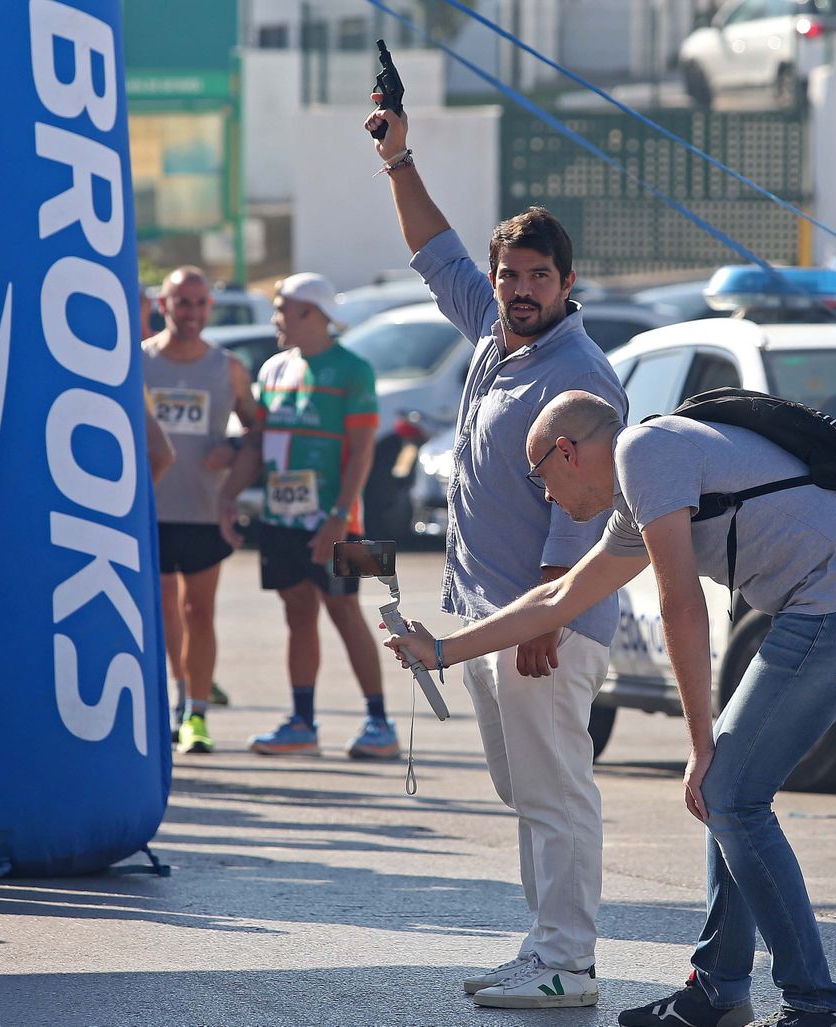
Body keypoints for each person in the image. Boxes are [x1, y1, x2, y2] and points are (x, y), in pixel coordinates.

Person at [385, 391, 836, 1027]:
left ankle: (815, 1006)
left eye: (544, 480)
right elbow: (560, 596)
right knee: (730, 796)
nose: (548, 498)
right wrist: (443, 649)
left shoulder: (646, 451)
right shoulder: (643, 486)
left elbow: (681, 605)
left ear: (568, 452)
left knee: (729, 794)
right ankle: (719, 990)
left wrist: (699, 746)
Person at [364, 93, 629, 1010]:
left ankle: (570, 961)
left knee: (556, 794)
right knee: (528, 792)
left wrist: (547, 620)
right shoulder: (490, 334)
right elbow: (432, 247)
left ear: (566, 282)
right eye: (510, 272)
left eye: (538, 275)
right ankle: (549, 945)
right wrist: (399, 160)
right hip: (490, 621)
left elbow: (586, 509)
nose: (521, 288)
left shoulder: (580, 374)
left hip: (545, 622)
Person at [220, 272, 399, 761]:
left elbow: (364, 452)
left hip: (346, 519)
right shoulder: (274, 369)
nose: (275, 317)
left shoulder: (355, 370)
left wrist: (339, 516)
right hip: (282, 518)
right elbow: (257, 442)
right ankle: (302, 723)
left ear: (309, 312)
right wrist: (229, 497)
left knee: (347, 612)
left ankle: (379, 724)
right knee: (296, 612)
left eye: (281, 308)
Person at [142, 267, 255, 754]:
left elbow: (255, 431)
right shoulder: (137, 364)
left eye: (199, 303)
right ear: (162, 306)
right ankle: (178, 697)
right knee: (166, 604)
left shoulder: (226, 367)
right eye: (180, 302)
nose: (190, 313)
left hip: (204, 508)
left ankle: (197, 714)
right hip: (150, 507)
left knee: (198, 609)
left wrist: (231, 450)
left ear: (211, 307)